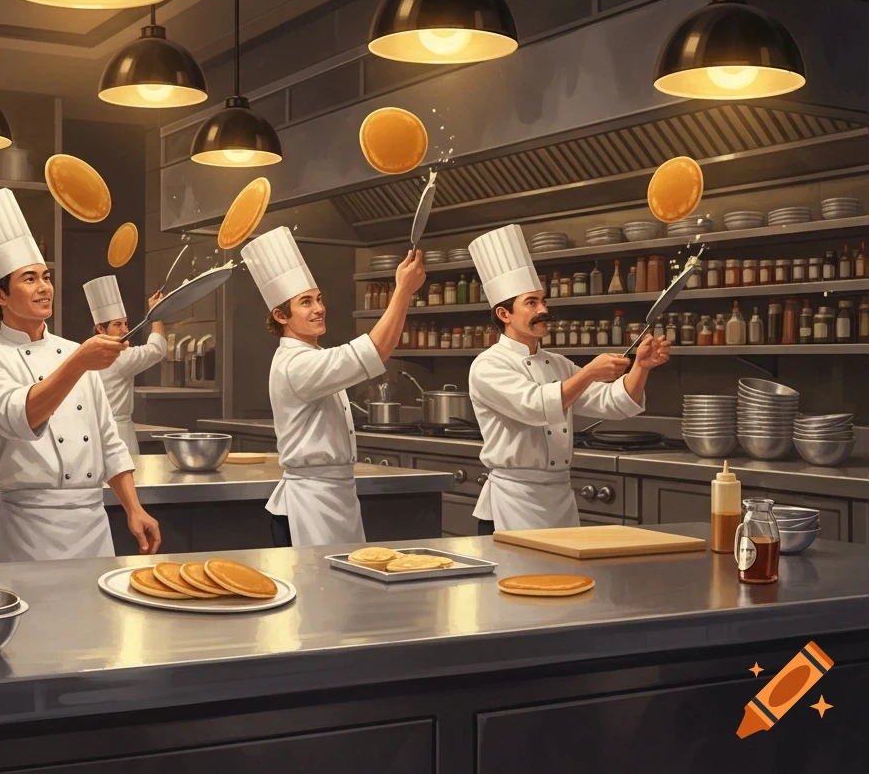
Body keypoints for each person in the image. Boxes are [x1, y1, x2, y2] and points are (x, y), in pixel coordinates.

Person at [0, 188, 162, 562]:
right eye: (29, 279)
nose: (44, 287)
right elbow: (23, 416)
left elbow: (108, 441)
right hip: (31, 528)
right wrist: (80, 361)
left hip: (93, 524)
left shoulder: (72, 351)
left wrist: (133, 508)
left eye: (45, 277)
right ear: (0, 295)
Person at [467, 224, 672, 532]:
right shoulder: (488, 366)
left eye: (543, 300)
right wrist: (589, 371)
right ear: (504, 315)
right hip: (511, 503)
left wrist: (640, 367)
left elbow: (612, 403)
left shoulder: (558, 364)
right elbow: (536, 407)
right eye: (532, 303)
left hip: (560, 500)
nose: (544, 309)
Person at [242, 226, 425, 547]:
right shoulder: (296, 364)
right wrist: (402, 292)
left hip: (337, 497)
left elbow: (374, 351)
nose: (319, 308)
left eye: (319, 299)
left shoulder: (313, 354)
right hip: (308, 507)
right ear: (280, 315)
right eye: (305, 302)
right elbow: (375, 350)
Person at [83, 275, 165, 455]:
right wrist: (157, 314)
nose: (125, 330)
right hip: (118, 434)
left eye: (126, 323)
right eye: (117, 324)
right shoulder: (118, 356)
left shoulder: (83, 353)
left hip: (89, 434)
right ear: (100, 328)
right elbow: (157, 349)